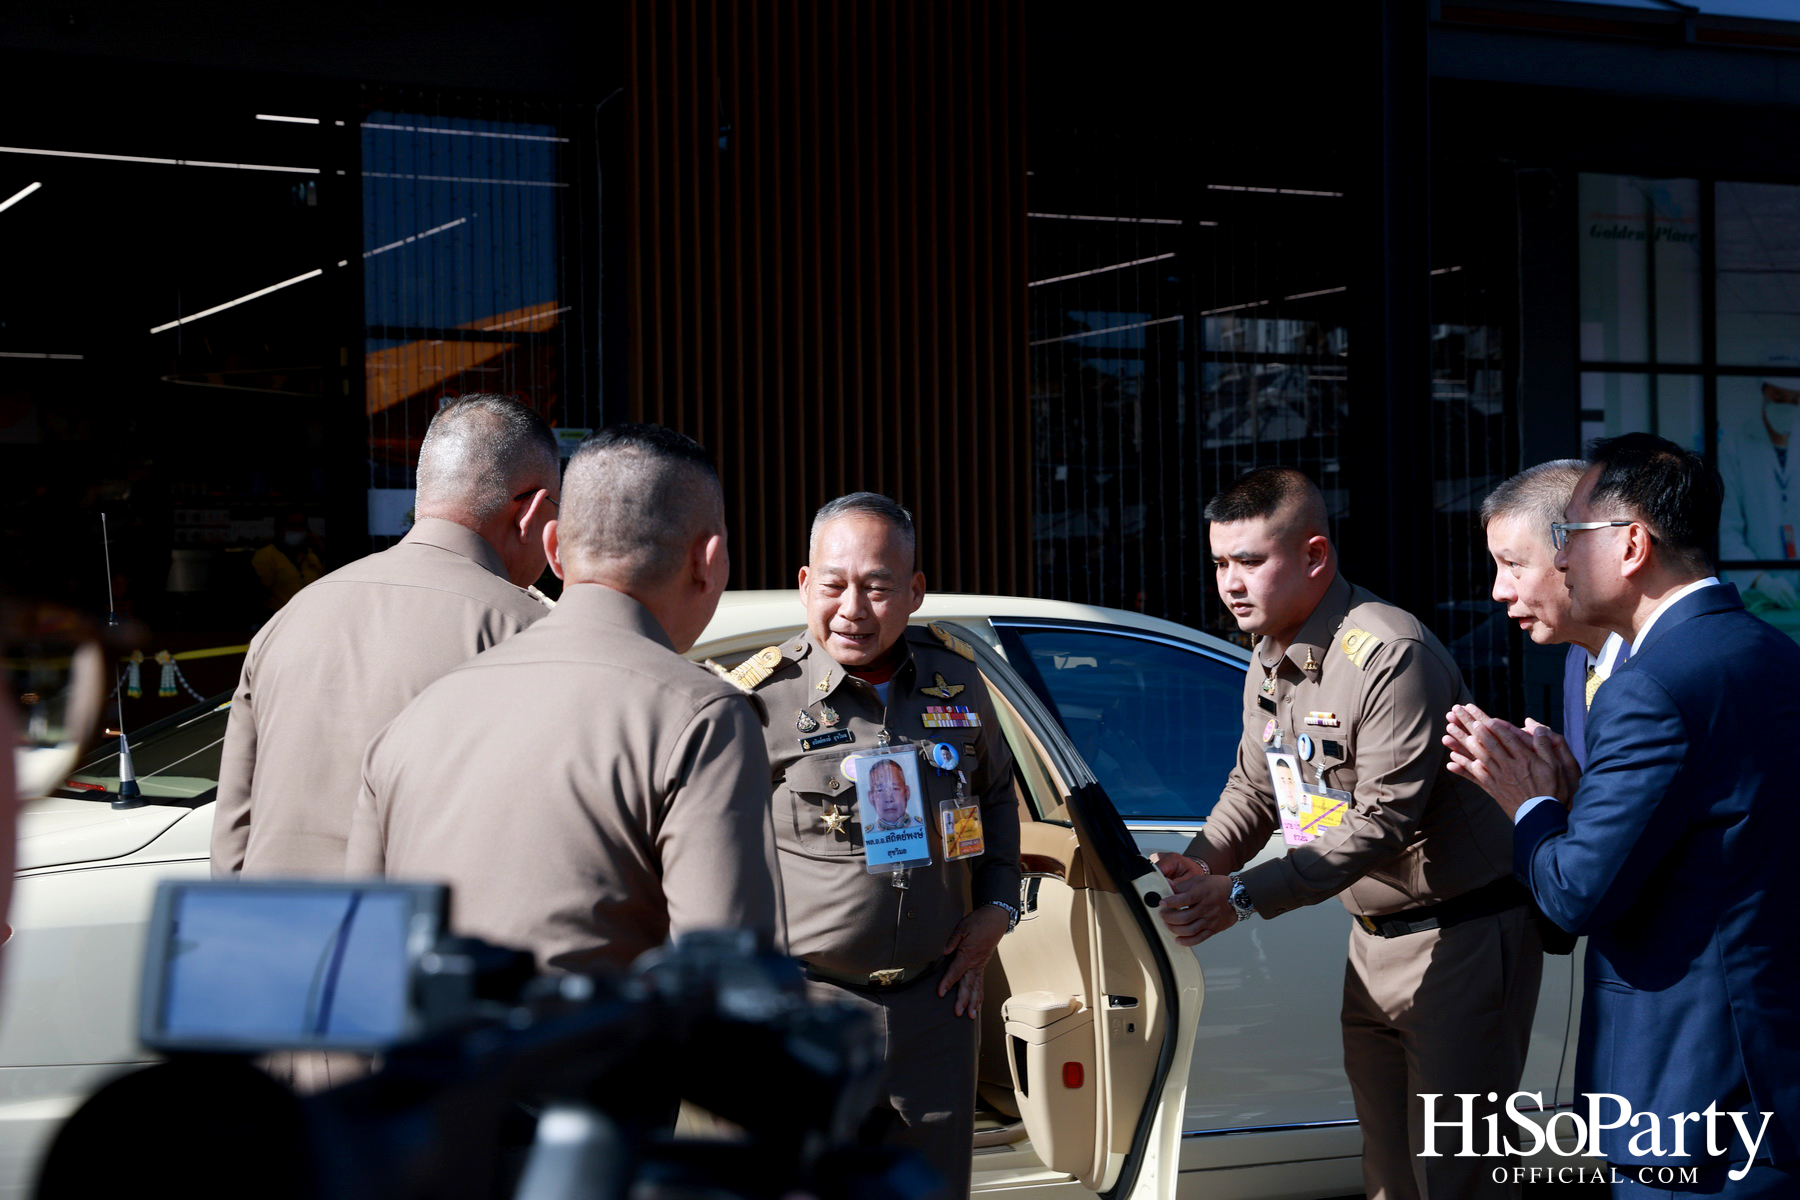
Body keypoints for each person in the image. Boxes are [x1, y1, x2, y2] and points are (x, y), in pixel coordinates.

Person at [1151, 467, 1539, 1200]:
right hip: (1372, 936)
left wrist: (1238, 894)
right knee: (1388, 1173)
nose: (1230, 583)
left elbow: (1383, 819)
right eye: (1220, 563)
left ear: (1315, 556)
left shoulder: (1390, 653)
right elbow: (1256, 786)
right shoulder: (1268, 651)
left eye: (1250, 561)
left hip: (1460, 935)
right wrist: (1196, 867)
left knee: (1462, 1179)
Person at [1445, 433, 1799, 1196]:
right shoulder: (1772, 653)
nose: (1561, 560)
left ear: (1633, 543)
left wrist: (1530, 802)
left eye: (1569, 536)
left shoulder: (1653, 685)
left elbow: (1578, 894)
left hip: (1694, 1089)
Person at [345, 424, 783, 974]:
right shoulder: (699, 716)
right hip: (596, 1057)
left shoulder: (417, 716)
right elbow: (725, 984)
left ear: (553, 549)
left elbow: (362, 959)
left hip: (433, 1056)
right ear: (709, 560)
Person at [731, 492, 1020, 1200]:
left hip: (937, 1008)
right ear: (805, 585)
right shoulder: (760, 700)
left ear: (915, 591)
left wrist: (999, 908)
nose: (853, 608)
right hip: (808, 1012)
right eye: (833, 585)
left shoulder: (958, 679)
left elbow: (995, 798)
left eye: (878, 586)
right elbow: (714, 854)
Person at [212, 395, 560, 879]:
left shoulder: (292, 617)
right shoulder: (530, 634)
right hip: (422, 944)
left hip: (271, 937)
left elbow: (234, 830)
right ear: (533, 510)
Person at [1480, 459, 1628, 768]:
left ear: (1573, 553)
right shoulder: (1579, 655)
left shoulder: (1654, 659)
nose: (1499, 591)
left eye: (1513, 564)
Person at [1718, 379, 1800, 610]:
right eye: (1779, 397)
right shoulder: (1734, 446)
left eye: (1795, 400)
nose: (1787, 406)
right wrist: (1761, 580)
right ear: (1764, 392)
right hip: (1754, 594)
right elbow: (1725, 528)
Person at [249, 510, 325, 613]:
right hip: (278, 615)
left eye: (301, 526)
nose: (297, 530)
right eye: (291, 525)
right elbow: (258, 596)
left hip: (310, 613)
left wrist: (322, 553)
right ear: (278, 528)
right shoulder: (266, 555)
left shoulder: (310, 554)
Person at [866, 758, 920, 829]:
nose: (889, 799)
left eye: (895, 788)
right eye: (880, 790)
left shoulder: (920, 827)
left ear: (907, 792)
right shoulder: (869, 835)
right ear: (871, 797)